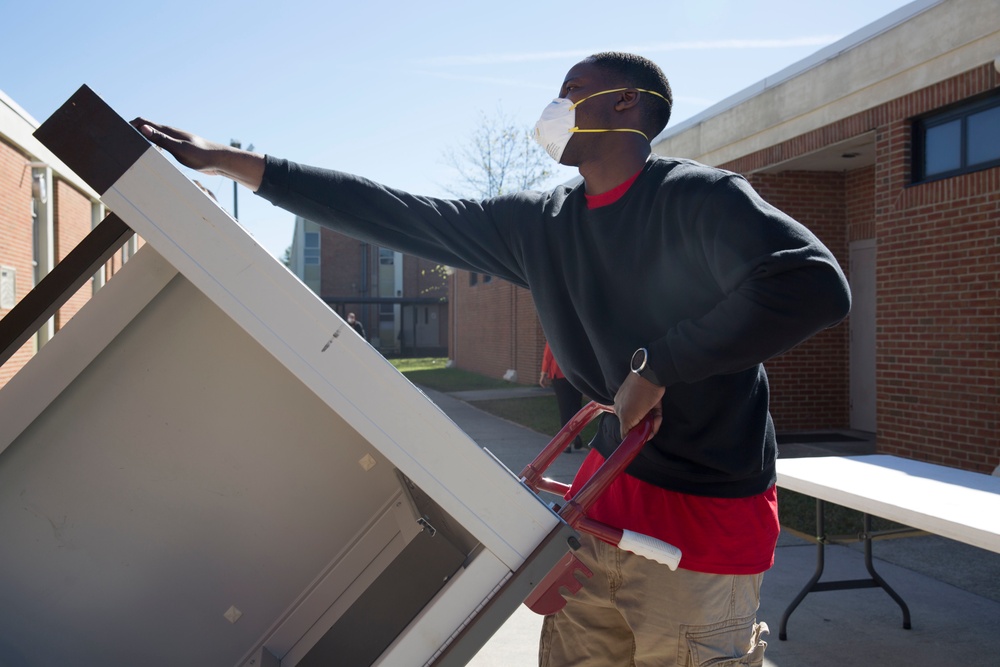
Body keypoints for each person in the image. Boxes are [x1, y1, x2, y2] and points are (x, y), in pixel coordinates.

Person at [132, 51, 851, 666]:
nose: (557, 108)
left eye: (572, 92)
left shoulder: (698, 200)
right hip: (599, 505)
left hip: (700, 527)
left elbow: (814, 282)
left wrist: (657, 364)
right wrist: (237, 162)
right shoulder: (540, 226)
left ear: (628, 103)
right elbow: (401, 213)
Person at [539, 341, 585, 453]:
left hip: (559, 371)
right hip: (577, 373)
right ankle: (577, 434)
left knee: (565, 407)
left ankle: (567, 443)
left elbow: (549, 351)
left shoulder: (556, 327)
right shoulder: (579, 330)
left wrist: (543, 372)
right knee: (576, 405)